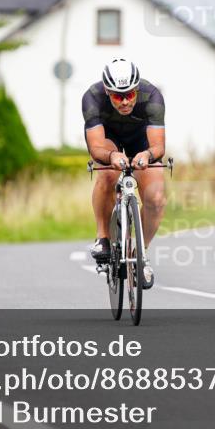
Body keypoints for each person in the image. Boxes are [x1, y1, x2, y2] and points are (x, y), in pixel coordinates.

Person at [83, 57, 167, 289]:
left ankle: (141, 253)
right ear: (108, 92)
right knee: (108, 174)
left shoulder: (152, 97)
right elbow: (96, 146)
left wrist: (148, 156)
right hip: (108, 138)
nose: (125, 101)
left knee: (156, 198)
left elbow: (158, 145)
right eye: (118, 96)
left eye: (130, 95)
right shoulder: (92, 98)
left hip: (141, 139)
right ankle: (103, 237)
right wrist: (111, 157)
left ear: (137, 89)